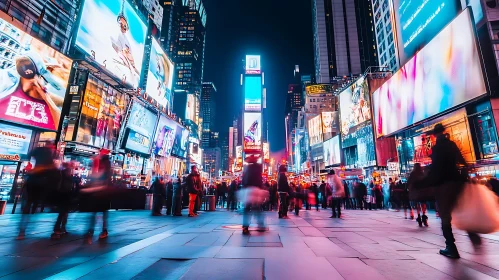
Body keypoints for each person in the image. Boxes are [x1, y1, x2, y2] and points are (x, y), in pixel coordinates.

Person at [428, 123, 481, 259]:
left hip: (444, 185)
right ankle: (472, 232)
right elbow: (462, 160)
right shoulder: (452, 145)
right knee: (461, 210)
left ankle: (451, 247)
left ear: (435, 135)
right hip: (456, 182)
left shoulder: (436, 148)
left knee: (445, 217)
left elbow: (435, 169)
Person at [17, 144, 58, 240]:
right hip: (42, 176)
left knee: (28, 202)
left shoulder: (38, 150)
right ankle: (52, 201)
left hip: (35, 175)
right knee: (56, 179)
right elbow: (52, 165)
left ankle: (22, 231)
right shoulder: (48, 153)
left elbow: (29, 155)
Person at [83, 150, 112, 244]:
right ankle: (99, 230)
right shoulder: (103, 171)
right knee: (101, 213)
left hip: (101, 195)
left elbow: (97, 182)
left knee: (97, 213)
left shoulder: (104, 172)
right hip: (101, 195)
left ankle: (93, 231)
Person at [50, 162, 75, 239]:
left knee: (64, 213)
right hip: (64, 195)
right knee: (63, 213)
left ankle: (61, 228)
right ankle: (58, 228)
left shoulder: (64, 175)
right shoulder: (64, 176)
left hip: (65, 195)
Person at [241, 155, 265, 235]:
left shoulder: (247, 168)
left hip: (248, 189)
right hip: (255, 189)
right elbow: (259, 179)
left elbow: (244, 180)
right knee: (257, 207)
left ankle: (245, 227)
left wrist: (244, 187)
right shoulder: (258, 167)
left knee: (247, 209)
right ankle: (260, 224)